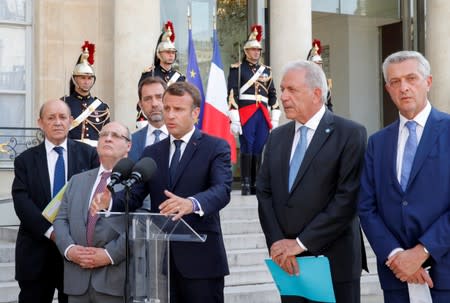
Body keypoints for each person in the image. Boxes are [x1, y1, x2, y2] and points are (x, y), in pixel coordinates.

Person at [94, 82, 232, 303]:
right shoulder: (152, 152)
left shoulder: (215, 147)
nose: (170, 115)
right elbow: (135, 194)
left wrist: (192, 203)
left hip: (203, 262)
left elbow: (222, 190)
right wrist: (109, 202)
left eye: (178, 110)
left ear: (195, 113)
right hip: (164, 263)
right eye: (167, 108)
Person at [257, 60, 367, 303]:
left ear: (317, 93)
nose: (283, 96)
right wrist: (278, 243)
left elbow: (346, 199)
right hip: (288, 262)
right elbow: (264, 193)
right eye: (282, 89)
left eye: (292, 90)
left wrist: (300, 243)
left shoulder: (350, 133)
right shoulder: (277, 137)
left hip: (333, 262)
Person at [358, 50, 450, 303]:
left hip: (444, 275)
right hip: (396, 278)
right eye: (395, 82)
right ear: (388, 89)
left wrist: (422, 252)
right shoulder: (377, 142)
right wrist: (397, 255)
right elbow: (366, 207)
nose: (404, 88)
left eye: (411, 79)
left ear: (428, 82)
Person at [12, 99, 99, 303]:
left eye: (62, 117)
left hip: (75, 254)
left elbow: (95, 198)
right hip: (36, 252)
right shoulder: (24, 160)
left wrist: (67, 237)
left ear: (70, 121)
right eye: (51, 118)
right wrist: (53, 233)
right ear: (41, 123)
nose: (57, 122)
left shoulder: (89, 156)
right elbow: (22, 202)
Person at [54, 121, 131, 303]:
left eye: (115, 135)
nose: (108, 139)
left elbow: (141, 226)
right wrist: (70, 249)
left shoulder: (137, 182)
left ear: (128, 146)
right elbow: (60, 220)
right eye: (104, 135)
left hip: (115, 281)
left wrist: (109, 254)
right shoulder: (76, 181)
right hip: (77, 280)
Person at [227, 24, 280, 195]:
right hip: (246, 112)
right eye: (253, 50)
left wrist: (275, 118)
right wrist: (234, 118)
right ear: (246, 51)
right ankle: (245, 183)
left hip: (262, 113)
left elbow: (272, 95)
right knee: (247, 146)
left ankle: (257, 182)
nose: (256, 53)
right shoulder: (237, 68)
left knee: (259, 146)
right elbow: (232, 93)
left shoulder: (267, 71)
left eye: (258, 50)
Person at [136, 21, 185, 128]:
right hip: (153, 120)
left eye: (173, 52)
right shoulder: (150, 74)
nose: (171, 55)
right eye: (167, 52)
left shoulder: (180, 77)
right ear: (159, 54)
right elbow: (143, 99)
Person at [62, 41, 110, 146]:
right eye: (82, 78)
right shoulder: (63, 103)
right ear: (74, 79)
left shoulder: (101, 106)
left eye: (89, 78)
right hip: (72, 152)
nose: (86, 81)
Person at [129, 76, 168, 162]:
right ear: (141, 105)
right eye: (148, 99)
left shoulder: (182, 137)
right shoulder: (130, 142)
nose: (154, 104)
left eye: (159, 97)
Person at [307, 39, 333, 112]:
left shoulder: (326, 82)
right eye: (316, 64)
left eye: (320, 64)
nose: (318, 66)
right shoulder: (306, 81)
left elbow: (329, 104)